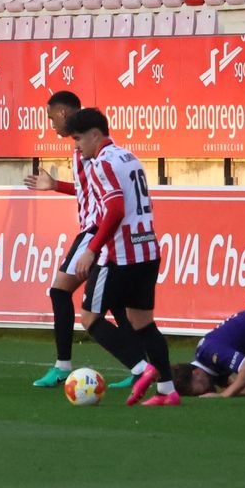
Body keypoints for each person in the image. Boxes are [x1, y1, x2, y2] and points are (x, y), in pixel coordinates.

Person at [24, 90, 144, 391]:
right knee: (114, 301)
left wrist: (92, 245)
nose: (51, 125)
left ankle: (63, 366)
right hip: (100, 229)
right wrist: (56, 186)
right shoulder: (85, 149)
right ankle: (140, 365)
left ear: (64, 114)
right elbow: (92, 191)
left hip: (96, 230)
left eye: (52, 118)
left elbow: (107, 196)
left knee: (59, 291)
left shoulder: (89, 150)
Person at [65, 107, 179, 407]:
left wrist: (91, 249)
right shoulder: (129, 157)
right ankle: (168, 391)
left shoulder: (101, 163)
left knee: (90, 317)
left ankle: (144, 368)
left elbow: (114, 209)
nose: (76, 146)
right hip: (148, 249)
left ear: (95, 135)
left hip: (120, 254)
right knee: (142, 322)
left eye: (78, 139)